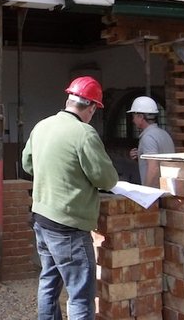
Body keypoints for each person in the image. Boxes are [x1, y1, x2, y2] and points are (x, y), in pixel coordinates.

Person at [22, 76, 119, 320]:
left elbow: (27, 164)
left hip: (42, 219)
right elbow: (106, 179)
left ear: (68, 100)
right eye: (94, 110)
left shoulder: (42, 126)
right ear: (92, 107)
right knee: (80, 296)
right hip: (69, 227)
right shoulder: (84, 133)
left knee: (49, 283)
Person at [127, 96, 175, 187]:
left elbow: (153, 168)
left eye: (134, 116)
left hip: (156, 193)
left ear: (141, 117)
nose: (133, 120)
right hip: (167, 189)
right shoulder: (163, 134)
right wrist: (140, 156)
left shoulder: (148, 137)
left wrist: (146, 192)